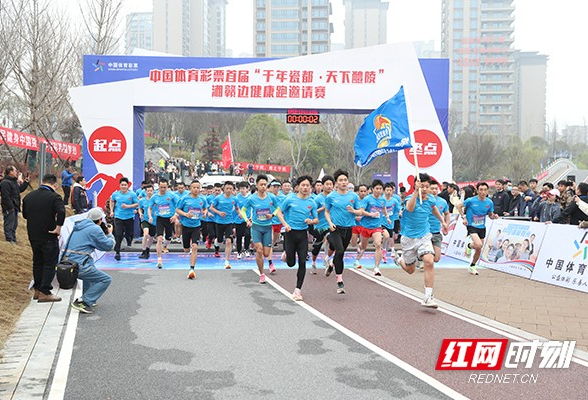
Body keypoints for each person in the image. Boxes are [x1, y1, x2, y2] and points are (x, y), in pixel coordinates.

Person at [393, 174, 449, 309]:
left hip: (424, 236)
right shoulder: (409, 199)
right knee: (410, 270)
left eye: (426, 187)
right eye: (421, 186)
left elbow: (434, 208)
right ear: (416, 186)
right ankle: (399, 259)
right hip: (408, 239)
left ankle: (428, 297)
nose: (424, 189)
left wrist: (443, 222)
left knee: (429, 261)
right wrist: (414, 192)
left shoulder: (430, 199)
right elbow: (409, 208)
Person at [22, 174, 65, 302]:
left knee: (38, 262)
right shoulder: (54, 197)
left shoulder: (28, 196)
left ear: (42, 182)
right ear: (55, 185)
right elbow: (61, 212)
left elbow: (25, 215)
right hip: (49, 234)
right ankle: (45, 291)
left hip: (33, 234)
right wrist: (58, 227)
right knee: (49, 263)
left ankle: (37, 290)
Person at [276, 175, 318, 301]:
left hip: (302, 235)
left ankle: (297, 290)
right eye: (303, 185)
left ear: (310, 187)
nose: (305, 188)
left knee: (302, 262)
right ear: (298, 187)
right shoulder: (290, 199)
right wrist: (285, 224)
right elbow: (279, 212)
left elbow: (316, 219)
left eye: (307, 186)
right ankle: (286, 254)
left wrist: (311, 221)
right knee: (290, 263)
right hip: (290, 233)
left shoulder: (312, 202)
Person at [66, 207, 115, 314]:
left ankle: (88, 299)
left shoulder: (78, 226)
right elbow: (107, 246)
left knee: (91, 268)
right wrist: (110, 234)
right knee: (105, 279)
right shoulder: (94, 229)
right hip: (80, 265)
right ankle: (84, 301)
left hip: (69, 263)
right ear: (100, 220)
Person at [324, 169, 363, 294]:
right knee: (339, 251)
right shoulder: (331, 197)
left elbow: (360, 211)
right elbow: (326, 211)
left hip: (348, 229)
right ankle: (340, 281)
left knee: (339, 254)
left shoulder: (353, 196)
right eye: (340, 180)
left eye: (345, 180)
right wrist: (330, 223)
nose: (343, 182)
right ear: (336, 183)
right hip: (336, 228)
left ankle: (331, 264)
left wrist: (354, 211)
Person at [241, 174, 279, 284]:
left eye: (265, 184)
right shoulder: (252, 198)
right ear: (257, 185)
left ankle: (265, 263)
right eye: (261, 184)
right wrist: (247, 221)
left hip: (267, 227)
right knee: (259, 250)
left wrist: (272, 215)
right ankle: (262, 274)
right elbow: (243, 210)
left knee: (266, 253)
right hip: (256, 228)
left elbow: (277, 208)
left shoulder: (271, 197)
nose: (263, 186)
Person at [456, 182, 499, 275]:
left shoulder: (489, 202)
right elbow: (459, 206)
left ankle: (472, 265)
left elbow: (490, 214)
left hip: (482, 227)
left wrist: (493, 216)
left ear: (487, 191)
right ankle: (470, 245)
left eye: (485, 190)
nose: (483, 192)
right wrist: (463, 217)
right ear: (477, 191)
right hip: (471, 225)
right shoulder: (471, 200)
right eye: (481, 190)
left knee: (479, 249)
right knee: (478, 245)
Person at [352, 180, 390, 276]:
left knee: (378, 244)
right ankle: (358, 254)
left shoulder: (382, 200)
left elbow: (384, 208)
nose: (378, 191)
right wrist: (371, 214)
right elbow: (361, 211)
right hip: (365, 226)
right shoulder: (367, 199)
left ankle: (376, 268)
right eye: (377, 188)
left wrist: (387, 217)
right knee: (363, 246)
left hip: (376, 227)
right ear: (372, 189)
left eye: (380, 189)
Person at [176, 180, 209, 279]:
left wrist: (204, 213)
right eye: (194, 187)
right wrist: (186, 214)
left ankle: (192, 269)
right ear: (190, 188)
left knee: (194, 247)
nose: (196, 189)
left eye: (198, 187)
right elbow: (177, 209)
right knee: (186, 249)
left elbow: (205, 208)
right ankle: (187, 248)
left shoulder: (202, 199)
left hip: (196, 226)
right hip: (186, 226)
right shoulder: (184, 199)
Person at [148, 179, 178, 269]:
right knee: (159, 238)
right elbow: (149, 208)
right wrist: (150, 216)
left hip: (170, 219)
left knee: (169, 237)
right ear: (158, 187)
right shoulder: (154, 197)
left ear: (167, 187)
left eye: (165, 187)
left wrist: (175, 215)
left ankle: (165, 246)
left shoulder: (172, 195)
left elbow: (179, 206)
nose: (163, 189)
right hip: (160, 218)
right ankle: (159, 259)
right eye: (161, 187)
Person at [209, 181, 239, 269]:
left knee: (229, 241)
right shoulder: (218, 198)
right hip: (219, 222)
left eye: (230, 189)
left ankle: (227, 261)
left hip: (229, 222)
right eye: (227, 188)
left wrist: (240, 214)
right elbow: (211, 208)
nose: (229, 190)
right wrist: (219, 212)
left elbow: (237, 208)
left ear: (233, 189)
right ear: (224, 189)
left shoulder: (234, 199)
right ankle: (216, 242)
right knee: (220, 241)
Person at [110, 177, 140, 261]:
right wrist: (112, 211)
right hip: (118, 216)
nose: (123, 186)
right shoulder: (116, 194)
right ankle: (117, 252)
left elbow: (137, 204)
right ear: (119, 185)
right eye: (122, 185)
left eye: (125, 185)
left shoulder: (132, 194)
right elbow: (112, 201)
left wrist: (128, 206)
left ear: (128, 186)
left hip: (129, 217)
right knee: (118, 234)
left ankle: (129, 240)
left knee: (128, 233)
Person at [309, 175, 334, 273]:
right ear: (323, 186)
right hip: (319, 226)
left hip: (330, 224)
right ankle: (313, 263)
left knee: (332, 241)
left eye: (331, 184)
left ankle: (327, 258)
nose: (329, 186)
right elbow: (312, 212)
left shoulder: (334, 197)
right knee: (317, 247)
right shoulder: (318, 198)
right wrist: (323, 208)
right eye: (327, 184)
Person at [0, 165, 30, 243]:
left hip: (15, 206)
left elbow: (19, 190)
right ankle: (9, 240)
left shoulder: (13, 181)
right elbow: (5, 197)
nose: (16, 172)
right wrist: (10, 207)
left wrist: (26, 183)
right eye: (15, 171)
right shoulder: (5, 183)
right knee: (9, 224)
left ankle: (13, 239)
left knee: (14, 224)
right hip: (9, 207)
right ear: (10, 172)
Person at [137, 184, 156, 259]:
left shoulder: (156, 199)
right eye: (148, 191)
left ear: (153, 191)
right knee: (145, 234)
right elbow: (139, 208)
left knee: (151, 237)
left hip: (154, 220)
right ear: (145, 192)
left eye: (151, 191)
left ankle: (147, 249)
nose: (149, 192)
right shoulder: (142, 200)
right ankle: (143, 250)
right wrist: (140, 213)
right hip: (145, 219)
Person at [234, 181, 252, 259]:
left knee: (248, 234)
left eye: (243, 188)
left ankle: (246, 249)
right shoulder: (237, 197)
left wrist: (251, 217)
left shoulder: (250, 197)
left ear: (247, 189)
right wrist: (239, 214)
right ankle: (239, 251)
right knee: (239, 236)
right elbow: (236, 207)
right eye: (240, 189)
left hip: (247, 220)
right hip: (239, 219)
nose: (242, 190)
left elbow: (253, 208)